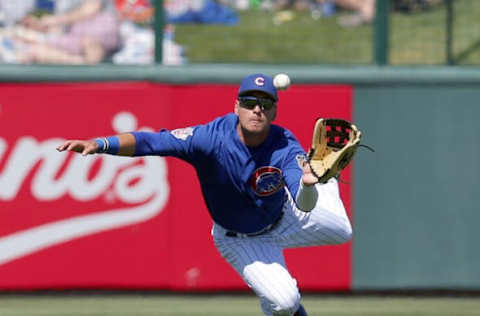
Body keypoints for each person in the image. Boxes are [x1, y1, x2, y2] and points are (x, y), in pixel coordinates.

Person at [56, 73, 353, 316]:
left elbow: (304, 203)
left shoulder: (285, 145)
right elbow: (151, 141)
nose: (257, 109)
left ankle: (324, 179)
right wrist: (102, 143)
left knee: (343, 230)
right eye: (250, 102)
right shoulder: (209, 138)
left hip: (287, 213)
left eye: (265, 103)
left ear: (275, 111)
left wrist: (310, 185)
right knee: (285, 303)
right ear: (236, 107)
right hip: (241, 238)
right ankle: (275, 300)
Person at [19, 0, 120, 64]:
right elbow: (59, 29)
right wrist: (40, 26)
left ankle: (87, 67)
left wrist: (55, 20)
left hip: (97, 38)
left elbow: (90, 10)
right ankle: (81, 63)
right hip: (74, 40)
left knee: (91, 44)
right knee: (34, 51)